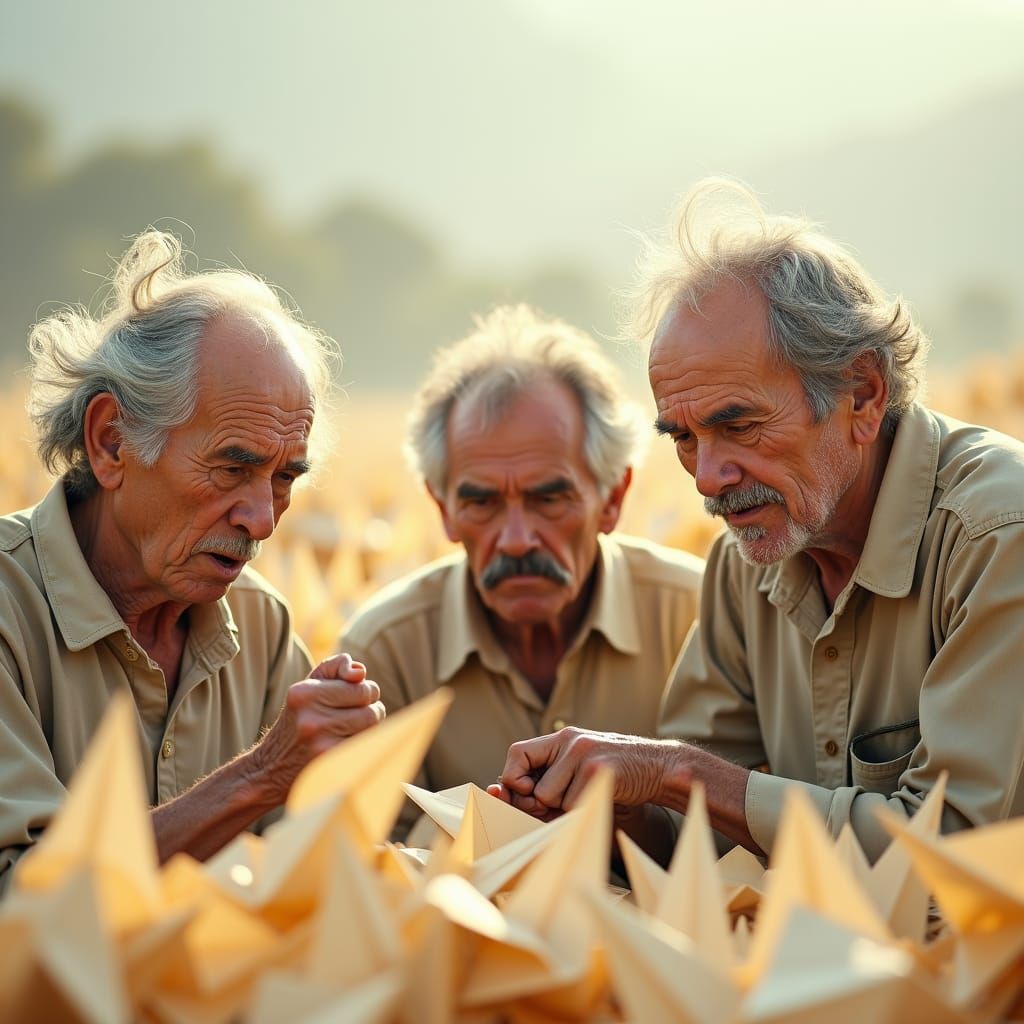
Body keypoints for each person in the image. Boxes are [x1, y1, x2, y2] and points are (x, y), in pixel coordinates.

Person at [491, 180, 1024, 864]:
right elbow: (698, 838)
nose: (708, 477)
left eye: (738, 425)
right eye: (684, 438)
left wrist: (676, 772)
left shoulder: (996, 537)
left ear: (862, 394)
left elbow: (948, 859)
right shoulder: (744, 563)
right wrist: (605, 809)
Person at [0, 230, 385, 893]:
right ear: (112, 442)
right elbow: (27, 904)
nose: (262, 519)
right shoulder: (11, 611)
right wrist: (261, 775)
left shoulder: (260, 625)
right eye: (232, 468)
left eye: (284, 479)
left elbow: (319, 876)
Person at [339, 305, 704, 840]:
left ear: (612, 497)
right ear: (443, 510)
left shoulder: (698, 615)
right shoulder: (386, 651)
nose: (515, 539)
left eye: (548, 499)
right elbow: (368, 858)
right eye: (482, 503)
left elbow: (740, 838)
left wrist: (629, 821)